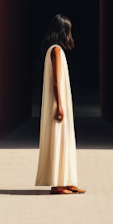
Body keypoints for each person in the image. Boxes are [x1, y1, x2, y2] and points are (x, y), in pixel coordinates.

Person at [35, 14, 85, 194]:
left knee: (66, 139)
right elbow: (56, 80)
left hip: (62, 101)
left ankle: (68, 180)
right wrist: (59, 105)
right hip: (59, 102)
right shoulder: (55, 50)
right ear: (62, 31)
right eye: (67, 30)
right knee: (59, 138)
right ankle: (57, 184)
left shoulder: (55, 50)